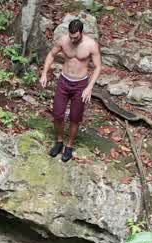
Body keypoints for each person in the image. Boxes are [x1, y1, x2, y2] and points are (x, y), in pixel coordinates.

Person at [39, 19, 102, 163]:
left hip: (80, 84)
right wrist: (44, 73)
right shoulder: (63, 41)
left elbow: (98, 67)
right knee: (57, 113)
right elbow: (51, 55)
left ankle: (69, 145)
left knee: (75, 117)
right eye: (71, 36)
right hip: (64, 81)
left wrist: (89, 87)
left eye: (76, 37)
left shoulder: (91, 45)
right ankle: (60, 141)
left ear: (81, 32)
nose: (73, 39)